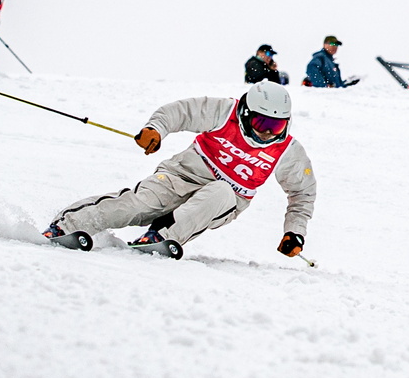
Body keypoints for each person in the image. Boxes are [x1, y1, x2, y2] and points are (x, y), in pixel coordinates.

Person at [42, 80, 315, 258]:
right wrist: (155, 130)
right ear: (246, 113)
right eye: (261, 123)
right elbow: (179, 112)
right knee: (138, 204)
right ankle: (67, 226)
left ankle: (162, 237)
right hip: (180, 175)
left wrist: (295, 231)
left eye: (275, 126)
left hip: (223, 200)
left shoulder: (288, 152)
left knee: (221, 191)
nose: (267, 133)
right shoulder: (223, 111)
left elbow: (302, 195)